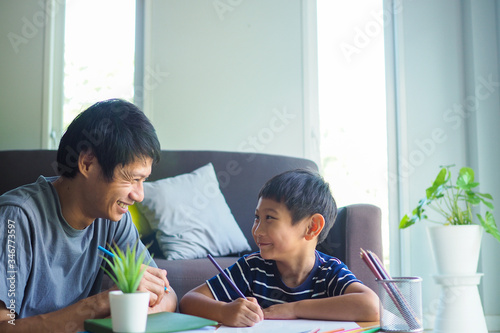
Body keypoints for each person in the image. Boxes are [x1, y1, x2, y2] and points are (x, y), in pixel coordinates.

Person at [0, 99, 177, 332]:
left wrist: (136, 309)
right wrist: (104, 302)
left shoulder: (115, 220)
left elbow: (168, 295)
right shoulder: (17, 218)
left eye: (143, 181)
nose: (139, 195)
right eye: (132, 179)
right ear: (87, 163)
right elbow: (5, 326)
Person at [179, 169, 379, 327]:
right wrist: (224, 311)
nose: (257, 230)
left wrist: (293, 309)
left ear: (312, 227)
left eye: (269, 218)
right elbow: (189, 301)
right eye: (257, 218)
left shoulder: (329, 272)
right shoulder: (252, 267)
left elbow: (371, 306)